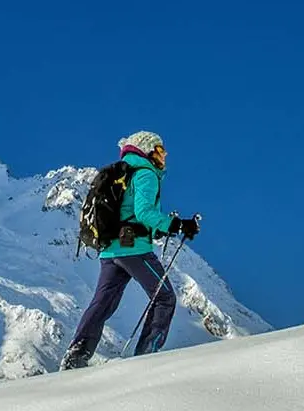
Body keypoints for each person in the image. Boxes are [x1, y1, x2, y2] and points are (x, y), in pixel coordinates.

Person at [60, 131, 200, 370]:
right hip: (133, 249)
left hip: (110, 251)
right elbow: (144, 213)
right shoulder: (145, 174)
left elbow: (130, 215)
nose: (164, 155)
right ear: (146, 150)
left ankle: (76, 354)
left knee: (103, 302)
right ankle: (147, 357)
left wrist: (158, 229)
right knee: (164, 297)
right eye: (159, 150)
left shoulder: (124, 172)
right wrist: (177, 225)